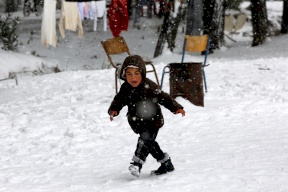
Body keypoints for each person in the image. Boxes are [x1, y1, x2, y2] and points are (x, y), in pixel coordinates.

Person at [108, 55, 186, 177]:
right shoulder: (125, 88)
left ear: (142, 73)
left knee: (144, 140)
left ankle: (137, 163)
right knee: (150, 144)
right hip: (138, 122)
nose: (133, 77)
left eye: (136, 73)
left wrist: (176, 107)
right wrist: (114, 109)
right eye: (129, 74)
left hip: (153, 121)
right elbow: (119, 100)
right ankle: (166, 163)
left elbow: (163, 97)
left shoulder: (149, 86)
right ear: (124, 75)